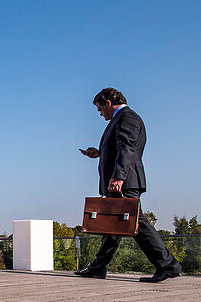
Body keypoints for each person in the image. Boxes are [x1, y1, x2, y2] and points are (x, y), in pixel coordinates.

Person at [75, 88, 181, 283]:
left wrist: (118, 177)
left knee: (136, 224)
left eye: (100, 109)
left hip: (124, 182)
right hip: (121, 181)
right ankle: (99, 267)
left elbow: (128, 148)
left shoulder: (126, 117)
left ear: (108, 102)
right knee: (112, 227)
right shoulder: (122, 119)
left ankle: (168, 265)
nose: (100, 114)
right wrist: (99, 153)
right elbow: (120, 147)